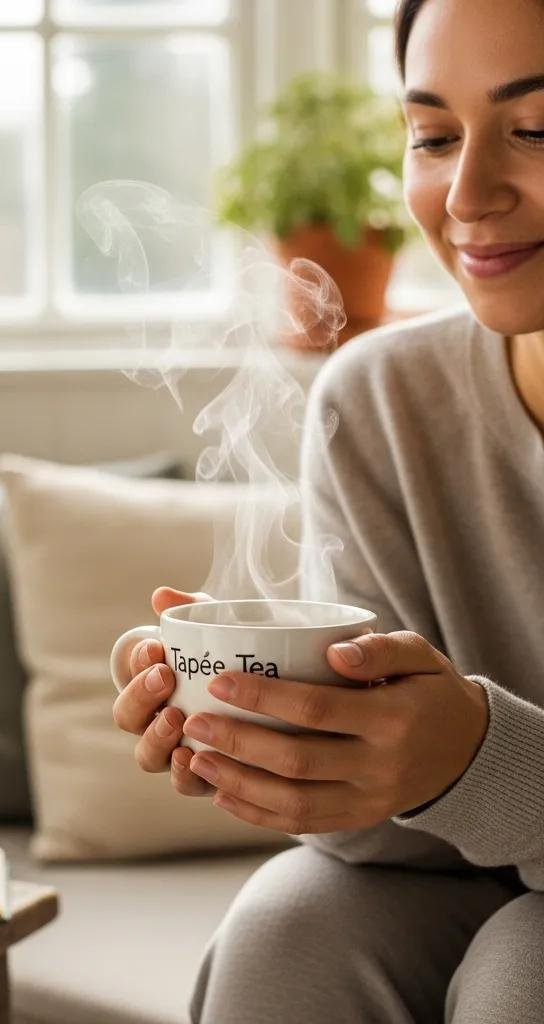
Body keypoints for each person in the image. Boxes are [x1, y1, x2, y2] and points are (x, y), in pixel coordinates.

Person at [112, 1, 544, 1021]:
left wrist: (479, 758)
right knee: (291, 924)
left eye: (536, 129)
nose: (467, 194)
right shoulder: (383, 400)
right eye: (432, 136)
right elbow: (378, 843)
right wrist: (278, 745)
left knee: (526, 968)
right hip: (477, 873)